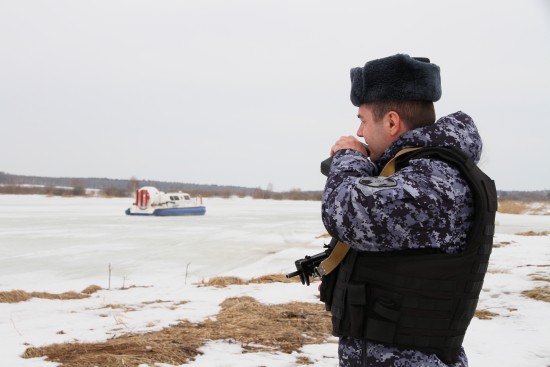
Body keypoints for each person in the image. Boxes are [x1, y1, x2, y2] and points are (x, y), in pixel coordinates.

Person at [320, 54, 497, 367]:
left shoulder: (433, 179)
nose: (359, 132)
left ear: (391, 121)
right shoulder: (418, 173)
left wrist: (348, 157)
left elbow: (346, 212)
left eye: (362, 119)